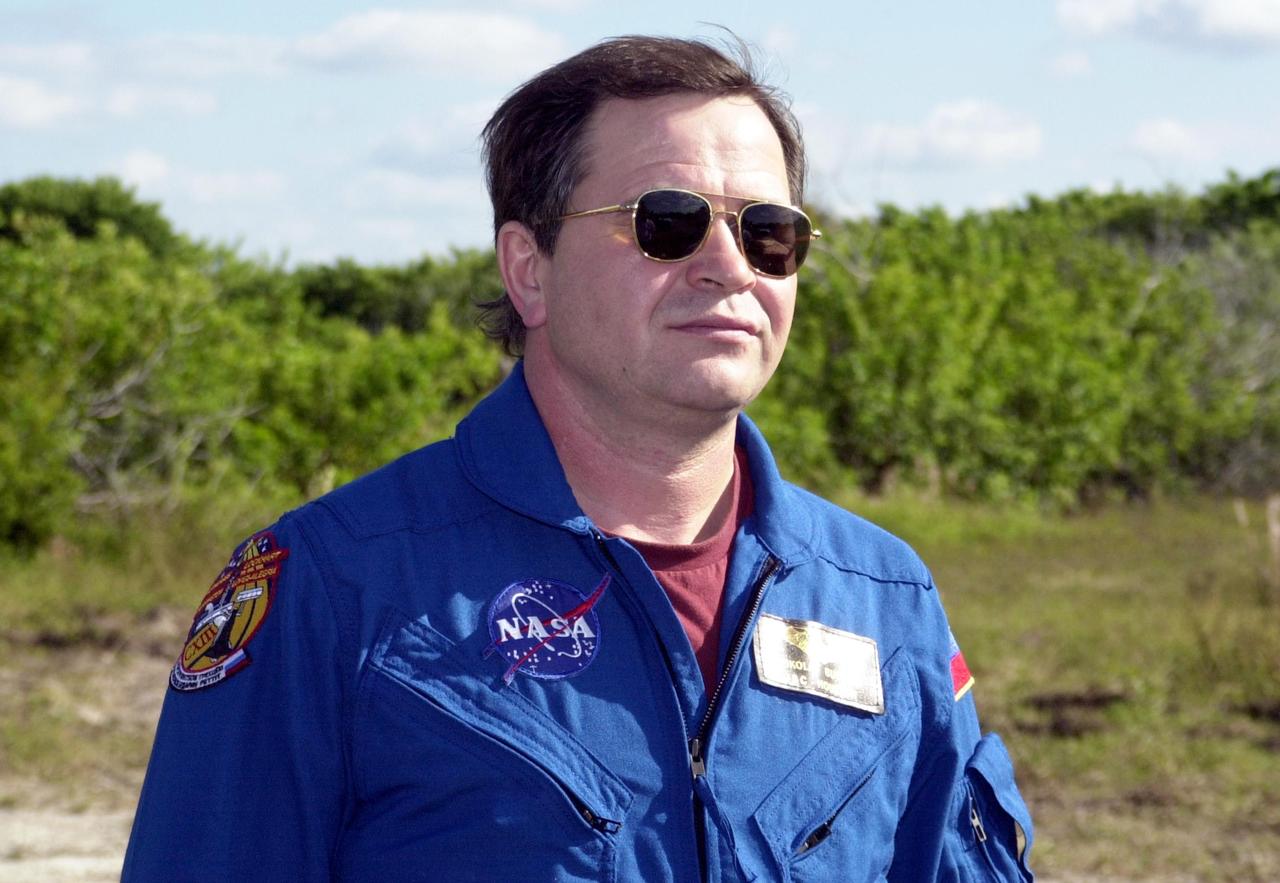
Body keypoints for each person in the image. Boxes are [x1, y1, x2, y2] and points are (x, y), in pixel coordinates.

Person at [124, 35, 1034, 882]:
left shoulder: (883, 595)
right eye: (667, 222)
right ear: (529, 268)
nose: (729, 265)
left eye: (769, 232)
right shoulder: (336, 586)